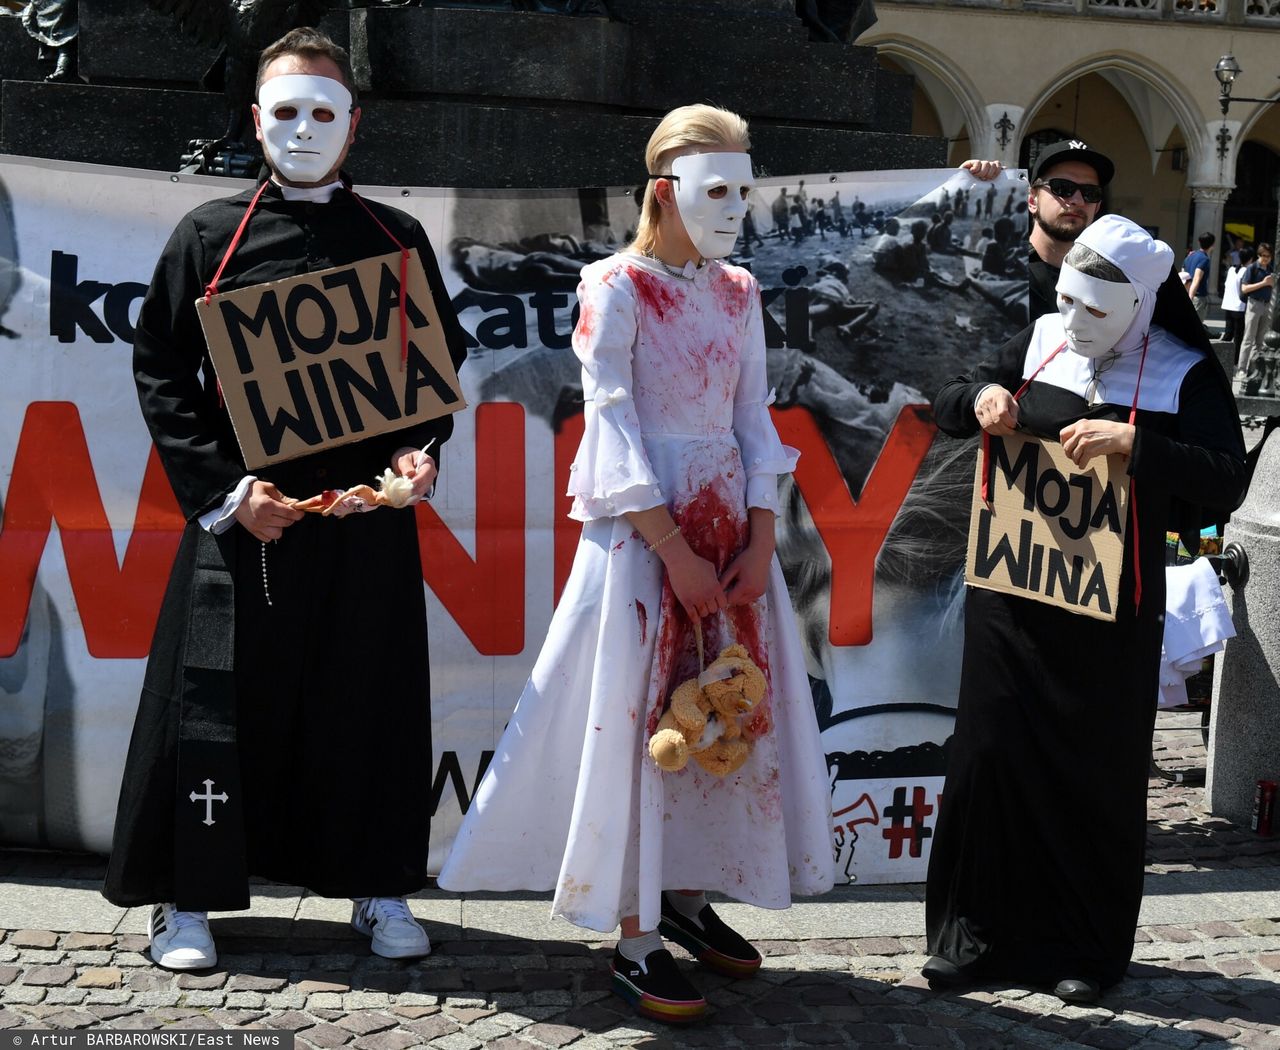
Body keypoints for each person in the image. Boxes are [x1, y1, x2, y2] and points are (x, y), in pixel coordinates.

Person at [438, 103, 835, 1024]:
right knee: (639, 717)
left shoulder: (739, 292)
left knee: (724, 704)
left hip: (730, 533)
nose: (737, 207)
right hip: (642, 536)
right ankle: (634, 931)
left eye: (746, 188)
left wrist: (761, 531)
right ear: (666, 190)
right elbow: (609, 419)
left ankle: (688, 899)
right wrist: (671, 550)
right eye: (717, 189)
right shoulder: (612, 285)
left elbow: (750, 417)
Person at [101, 27, 469, 971]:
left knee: (370, 701)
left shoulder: (399, 238)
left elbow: (434, 373)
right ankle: (186, 900)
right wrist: (225, 493)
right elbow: (162, 372)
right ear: (256, 121)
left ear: (354, 126)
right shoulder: (206, 236)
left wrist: (418, 457)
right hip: (243, 522)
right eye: (286, 111)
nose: (304, 129)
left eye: (323, 111)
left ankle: (379, 887)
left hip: (362, 524)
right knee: (214, 705)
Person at [923, 215, 1246, 1005]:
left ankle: (1082, 949)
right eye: (1068, 300)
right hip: (1011, 599)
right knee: (990, 760)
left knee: (1088, 773)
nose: (1074, 324)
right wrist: (984, 397)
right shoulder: (1040, 339)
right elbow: (946, 398)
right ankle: (969, 937)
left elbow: (1225, 481)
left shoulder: (1185, 373)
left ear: (1140, 304)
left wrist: (1139, 446)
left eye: (1095, 311)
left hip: (1108, 619)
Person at [1239, 242, 1275, 381]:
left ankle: (1254, 369)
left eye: (1268, 256)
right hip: (1254, 304)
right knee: (1248, 338)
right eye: (1263, 255)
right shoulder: (1252, 268)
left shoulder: (1271, 269)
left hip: (1267, 305)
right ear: (1259, 255)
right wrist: (1264, 283)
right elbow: (1244, 289)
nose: (1265, 258)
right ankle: (1241, 369)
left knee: (1260, 341)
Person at [1221, 246, 1248, 370]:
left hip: (1228, 304)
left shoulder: (1232, 269)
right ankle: (1234, 362)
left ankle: (1220, 356)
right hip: (1239, 307)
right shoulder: (1246, 271)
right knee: (1238, 336)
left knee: (1228, 334)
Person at [1184, 232, 1215, 320]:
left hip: (1186, 293)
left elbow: (1183, 274)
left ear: (1199, 242)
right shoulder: (1204, 259)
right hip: (1197, 297)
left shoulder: (1190, 256)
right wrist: (1191, 297)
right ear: (1212, 245)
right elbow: (1196, 279)